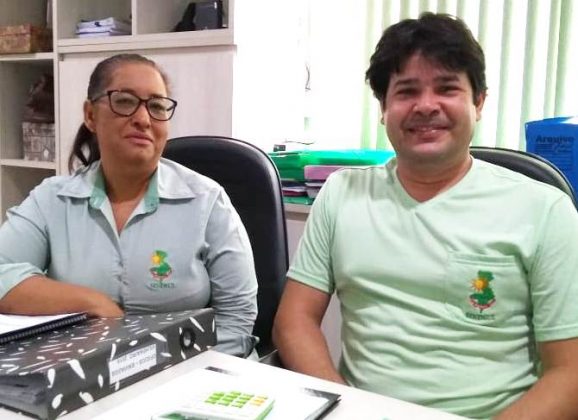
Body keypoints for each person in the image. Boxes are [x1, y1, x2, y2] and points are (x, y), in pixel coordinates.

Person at [273, 12, 578, 419]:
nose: (426, 106)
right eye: (407, 91)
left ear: (479, 102)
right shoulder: (341, 194)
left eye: (447, 88)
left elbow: (570, 372)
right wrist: (344, 408)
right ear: (384, 108)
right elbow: (293, 322)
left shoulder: (544, 209)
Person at [0, 53, 258, 358]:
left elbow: (236, 320)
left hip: (193, 370)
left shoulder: (207, 201)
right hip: (86, 371)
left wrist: (190, 376)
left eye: (157, 106)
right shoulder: (52, 200)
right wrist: (92, 303)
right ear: (91, 115)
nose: (143, 119)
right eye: (124, 101)